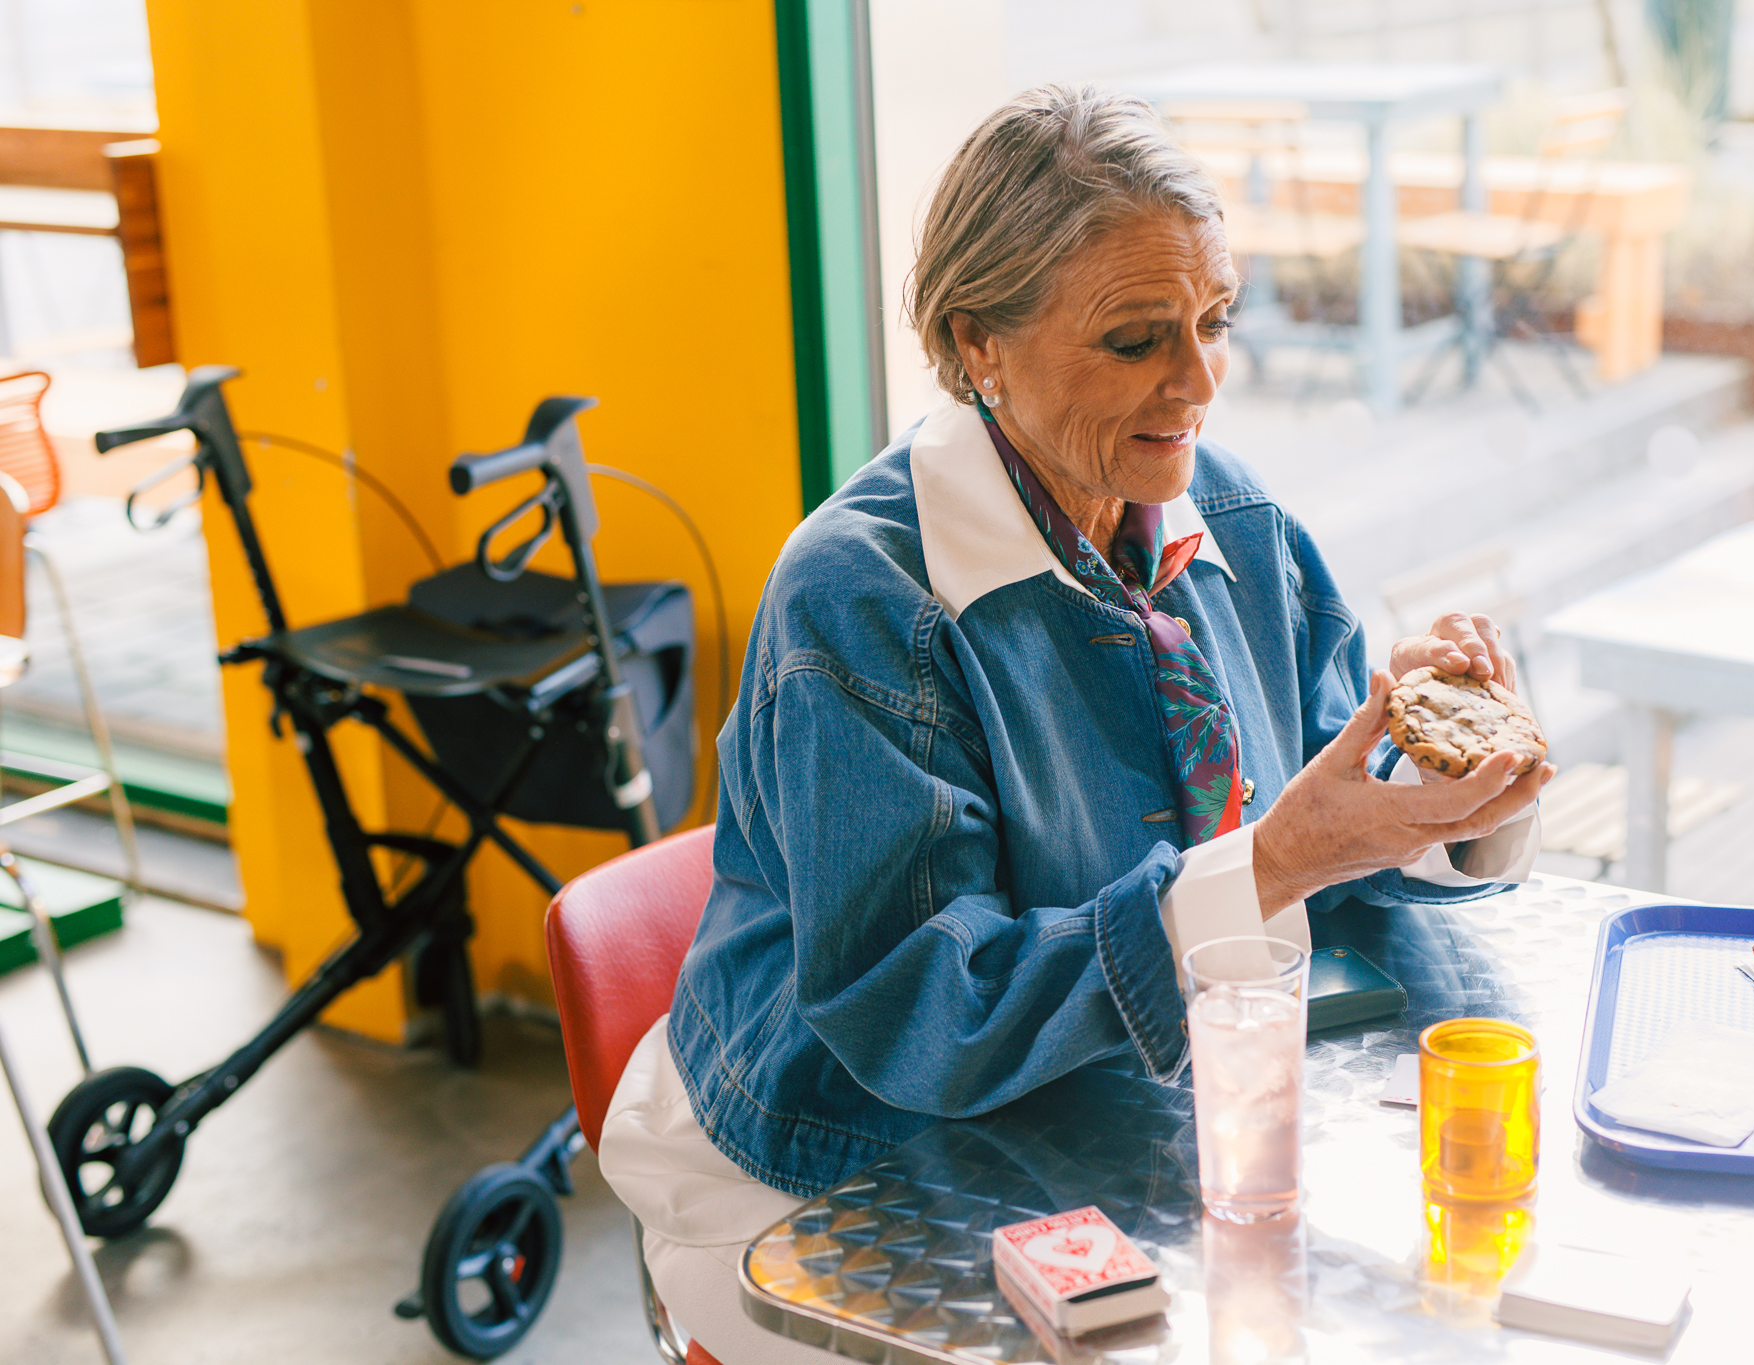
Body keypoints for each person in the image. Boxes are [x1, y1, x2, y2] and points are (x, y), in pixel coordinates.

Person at [599, 83, 1551, 1363]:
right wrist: (1276, 861)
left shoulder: (1235, 521)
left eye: (1215, 321)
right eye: (1136, 338)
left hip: (1106, 1125)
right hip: (832, 1182)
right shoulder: (864, 601)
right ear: (974, 343)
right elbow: (921, 1015)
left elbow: (1339, 799)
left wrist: (1449, 780)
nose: (1200, 381)